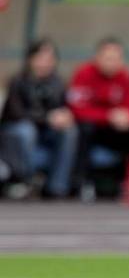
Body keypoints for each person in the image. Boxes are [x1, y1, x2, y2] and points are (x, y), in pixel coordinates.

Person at [0, 38, 77, 198]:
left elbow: (65, 107)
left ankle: (57, 186)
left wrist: (65, 116)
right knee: (26, 131)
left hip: (47, 132)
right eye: (40, 58)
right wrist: (47, 118)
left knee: (70, 131)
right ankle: (26, 180)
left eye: (49, 59)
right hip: (17, 130)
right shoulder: (18, 81)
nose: (45, 63)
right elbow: (15, 113)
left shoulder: (58, 83)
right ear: (30, 59)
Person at [68, 37, 129, 199]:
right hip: (92, 129)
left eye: (116, 59)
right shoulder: (84, 74)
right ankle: (79, 182)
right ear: (97, 57)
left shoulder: (125, 77)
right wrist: (108, 116)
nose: (112, 63)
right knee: (85, 129)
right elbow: (77, 108)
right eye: (108, 58)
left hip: (114, 130)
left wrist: (128, 116)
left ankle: (125, 181)